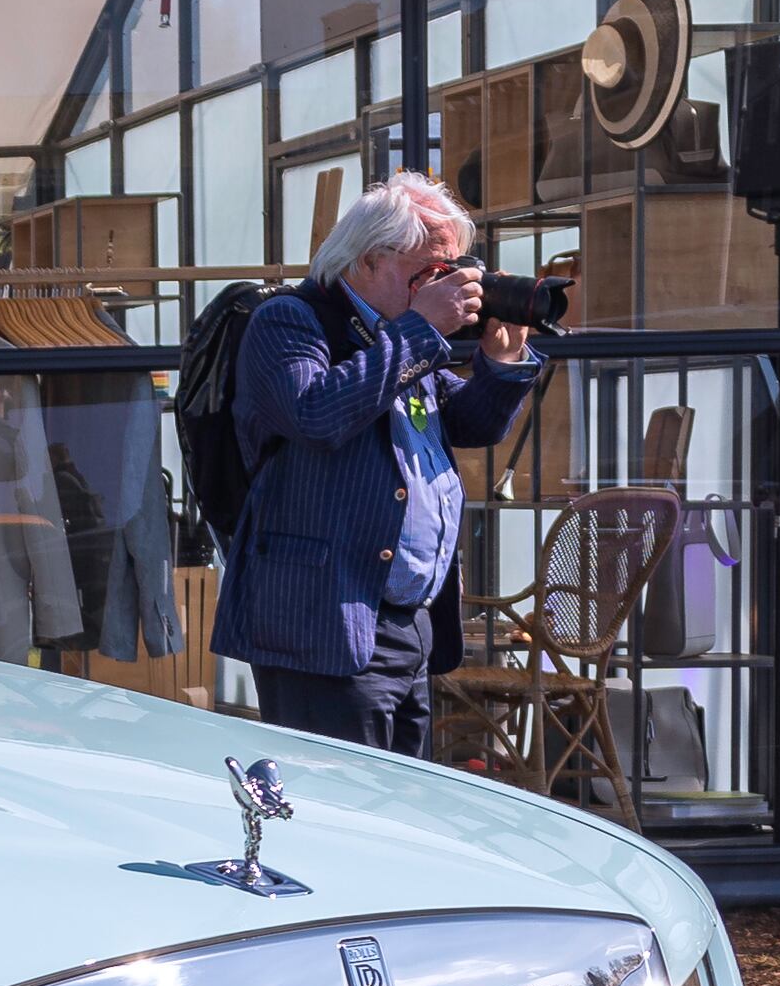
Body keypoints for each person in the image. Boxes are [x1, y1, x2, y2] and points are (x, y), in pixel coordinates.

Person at [210, 173, 542, 753]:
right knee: (340, 811)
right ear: (369, 259)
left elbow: (467, 425)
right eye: (429, 273)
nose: (445, 287)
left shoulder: (397, 337)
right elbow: (315, 413)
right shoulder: (291, 321)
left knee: (397, 814)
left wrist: (503, 363)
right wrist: (422, 330)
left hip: (407, 623)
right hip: (324, 622)